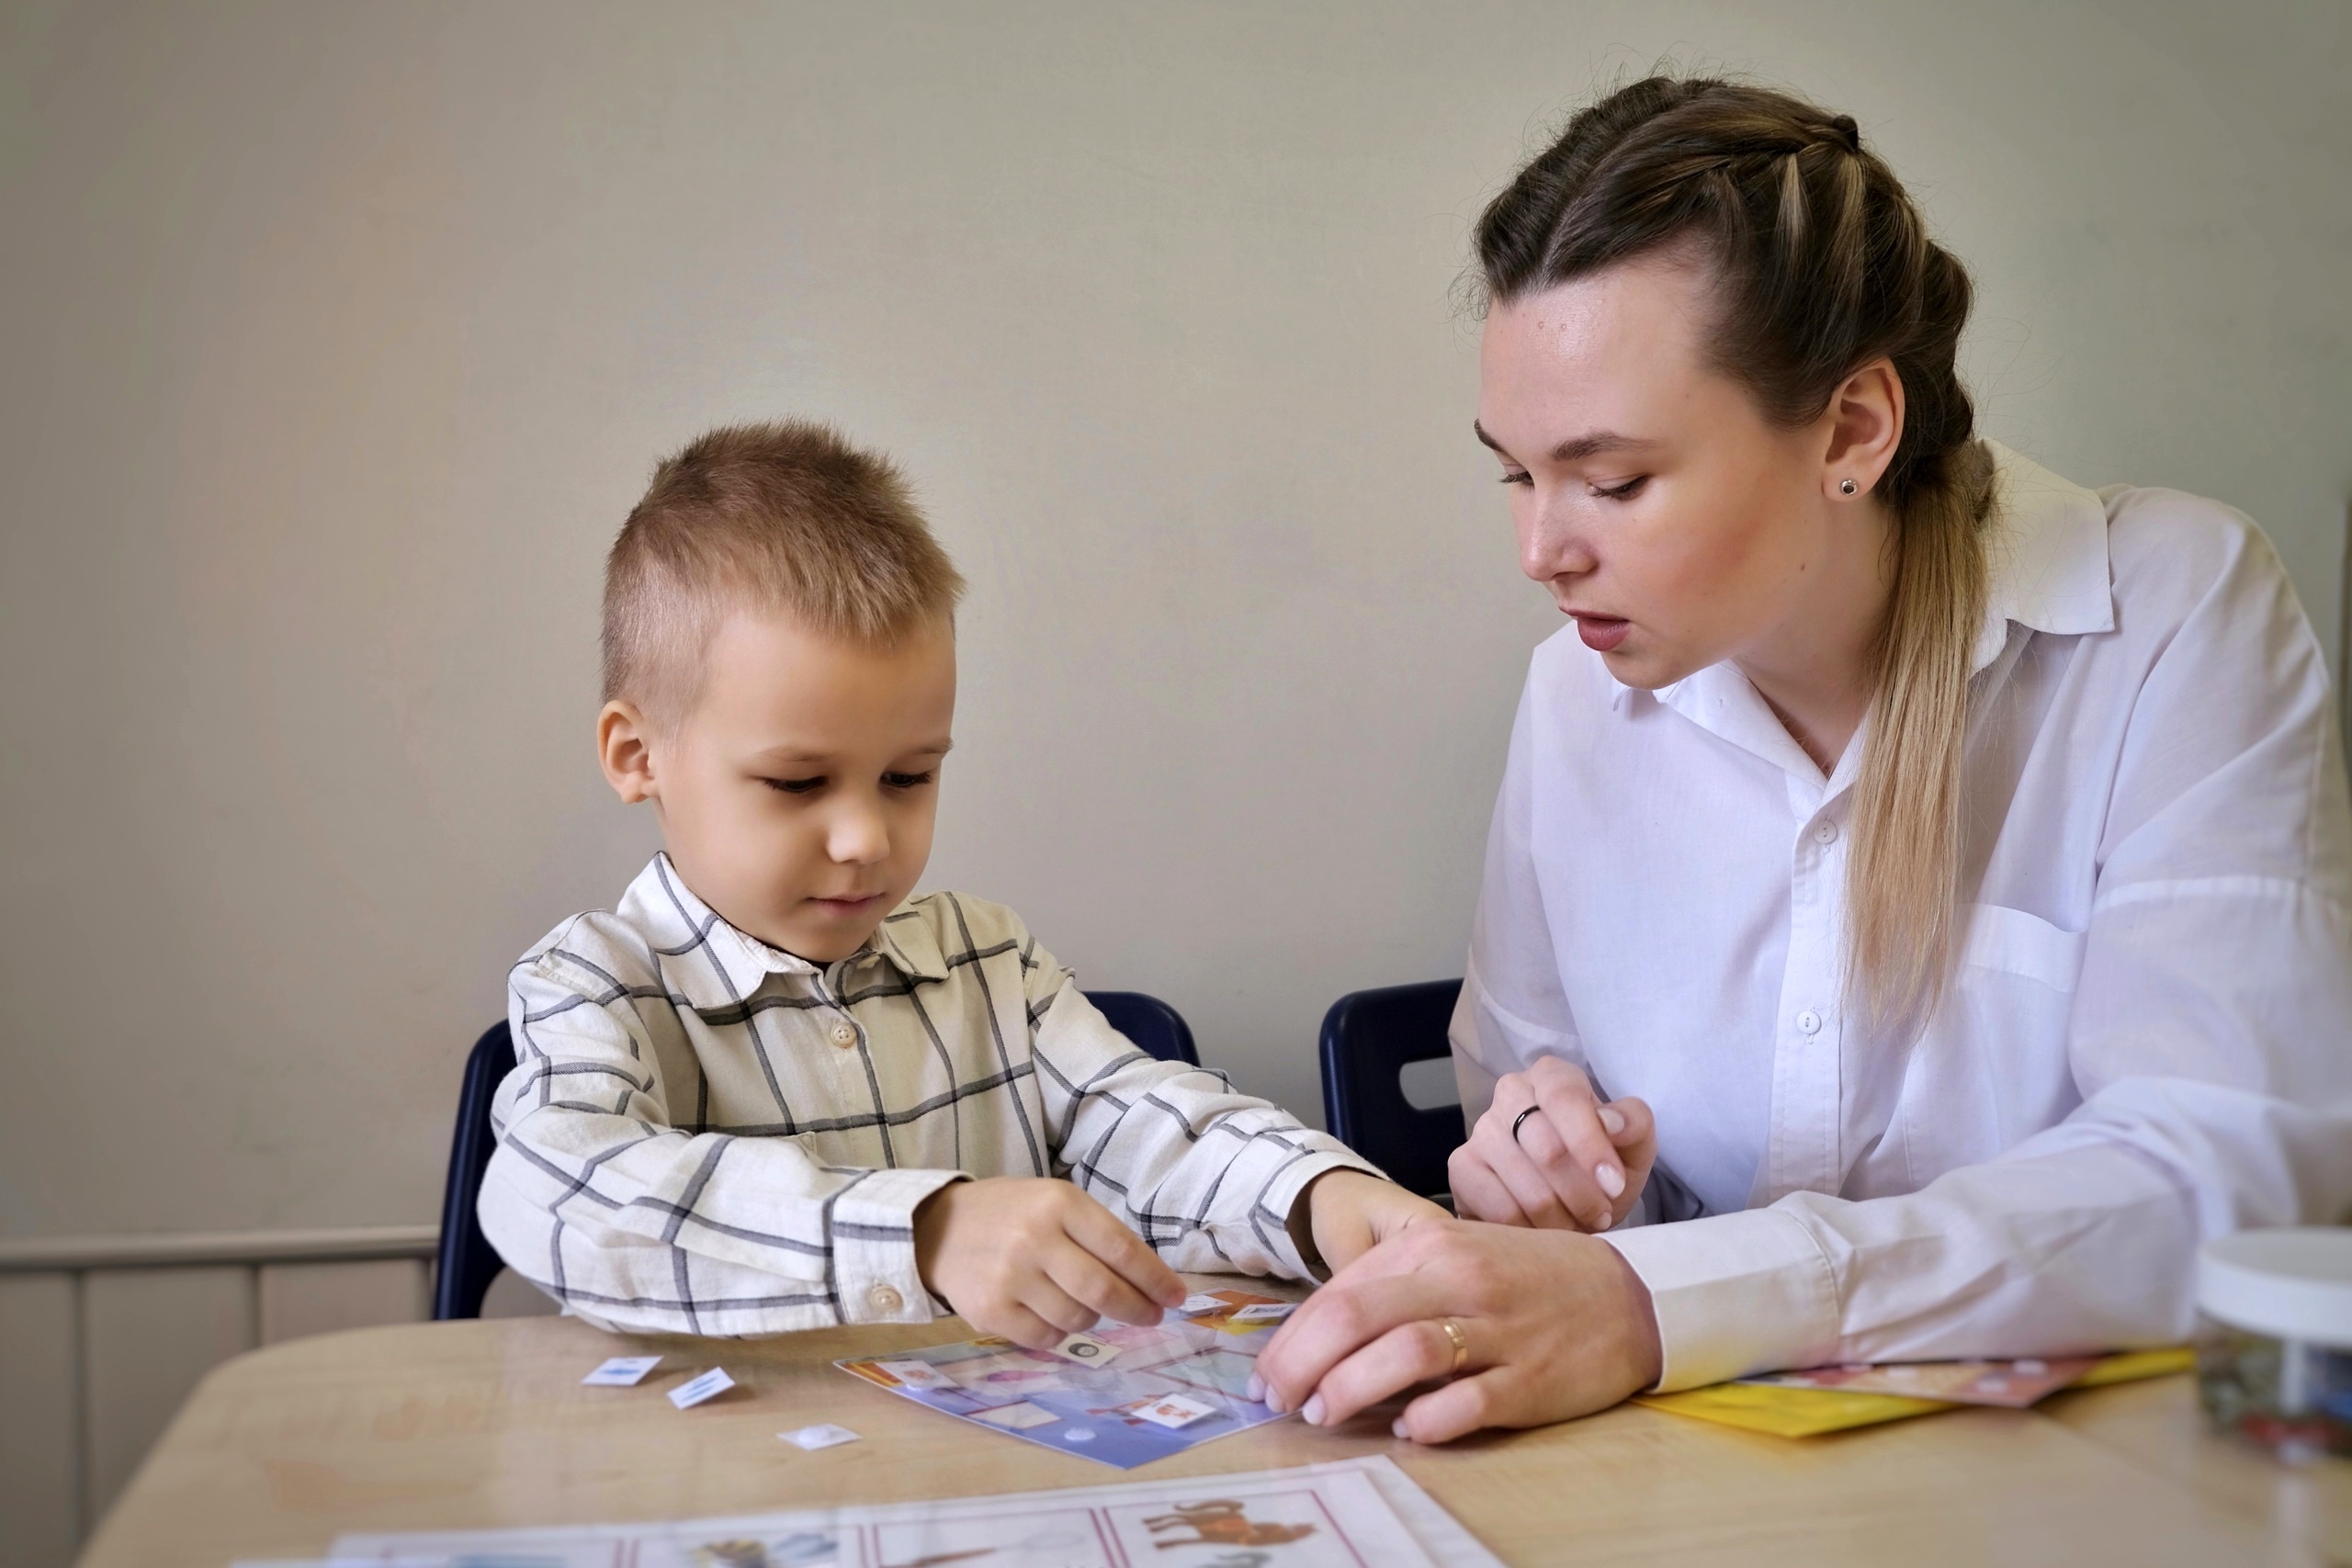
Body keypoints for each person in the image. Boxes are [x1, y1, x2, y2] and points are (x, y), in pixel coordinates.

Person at [1252, 75, 2352, 1443]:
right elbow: (1550, 1166)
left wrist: (1663, 1296)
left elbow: (2233, 1169)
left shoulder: (2172, 612)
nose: (1542, 548)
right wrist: (1554, 1177)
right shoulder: (1575, 696)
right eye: (1516, 474)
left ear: (1851, 430)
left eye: (1613, 479)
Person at [478, 421, 1442, 1342]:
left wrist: (1321, 1199)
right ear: (636, 753)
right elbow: (555, 1192)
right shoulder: (596, 981)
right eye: (797, 782)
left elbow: (1149, 1129)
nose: (863, 838)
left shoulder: (987, 960)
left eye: (908, 776)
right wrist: (925, 1231)